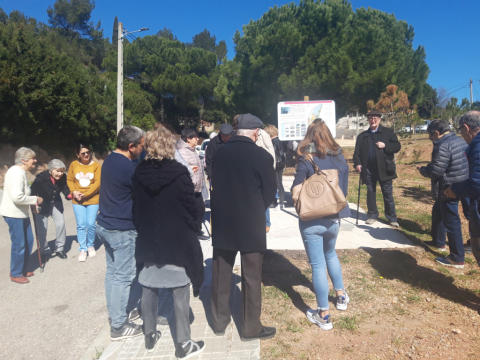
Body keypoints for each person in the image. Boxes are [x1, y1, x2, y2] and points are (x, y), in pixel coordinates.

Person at [133, 126, 205, 357]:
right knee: (180, 289)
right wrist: (193, 227)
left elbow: (136, 210)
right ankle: (183, 343)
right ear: (169, 146)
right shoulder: (180, 173)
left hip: (148, 238)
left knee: (148, 284)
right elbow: (190, 206)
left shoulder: (138, 173)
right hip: (176, 238)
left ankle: (149, 333)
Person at [210, 113, 277, 341]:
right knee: (251, 276)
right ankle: (250, 329)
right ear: (256, 133)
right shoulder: (262, 156)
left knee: (220, 273)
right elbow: (269, 192)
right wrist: (255, 208)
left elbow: (214, 183)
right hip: (250, 223)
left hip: (223, 223)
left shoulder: (219, 153)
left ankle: (219, 322)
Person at [292, 119, 351, 330]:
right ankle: (341, 296)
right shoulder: (340, 157)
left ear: (310, 136)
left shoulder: (306, 159)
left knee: (317, 265)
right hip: (334, 217)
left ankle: (324, 314)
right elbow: (343, 191)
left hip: (311, 220)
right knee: (331, 254)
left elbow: (296, 189)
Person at [96, 126, 146, 340]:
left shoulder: (109, 160)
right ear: (131, 146)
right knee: (124, 277)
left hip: (105, 225)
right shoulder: (129, 168)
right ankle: (118, 326)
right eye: (142, 146)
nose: (143, 149)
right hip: (121, 229)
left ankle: (115, 314)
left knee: (113, 273)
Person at [416, 120, 468, 268]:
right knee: (437, 212)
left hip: (448, 188)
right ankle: (439, 242)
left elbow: (436, 171)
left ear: (436, 133)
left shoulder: (443, 145)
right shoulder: (459, 140)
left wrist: (422, 170)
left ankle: (457, 258)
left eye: (430, 135)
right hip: (460, 183)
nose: (430, 138)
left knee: (452, 222)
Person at [0, 147, 43, 284]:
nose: (35, 161)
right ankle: (16, 273)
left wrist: (32, 205)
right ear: (24, 160)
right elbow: (18, 197)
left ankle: (21, 268)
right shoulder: (17, 173)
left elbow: (24, 194)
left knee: (29, 240)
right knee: (19, 244)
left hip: (21, 213)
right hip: (14, 214)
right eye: (33, 158)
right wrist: (35, 199)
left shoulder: (21, 172)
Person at [353, 110, 401, 227]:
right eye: (370, 118)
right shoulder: (362, 136)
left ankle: (391, 217)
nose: (373, 120)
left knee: (387, 193)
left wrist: (385, 146)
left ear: (379, 119)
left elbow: (397, 146)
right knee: (370, 193)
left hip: (385, 169)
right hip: (368, 170)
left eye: (375, 118)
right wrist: (358, 164)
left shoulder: (388, 132)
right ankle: (372, 215)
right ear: (368, 120)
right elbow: (356, 153)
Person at [446, 111, 480, 267]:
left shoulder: (477, 146)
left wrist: (454, 189)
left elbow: (476, 183)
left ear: (466, 128)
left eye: (460, 130)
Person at [31, 159, 72, 260]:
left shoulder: (63, 177)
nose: (60, 173)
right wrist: (34, 204)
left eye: (62, 171)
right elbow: (32, 191)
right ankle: (44, 251)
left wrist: (72, 195)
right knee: (42, 229)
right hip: (42, 204)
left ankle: (59, 248)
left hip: (56, 203)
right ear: (50, 170)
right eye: (57, 171)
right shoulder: (41, 177)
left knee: (61, 224)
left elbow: (65, 189)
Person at [67, 143, 101, 262]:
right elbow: (70, 180)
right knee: (81, 224)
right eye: (83, 153)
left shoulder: (96, 166)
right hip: (77, 200)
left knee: (91, 224)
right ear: (78, 154)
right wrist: (74, 192)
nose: (86, 155)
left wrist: (85, 195)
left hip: (92, 199)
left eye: (88, 152)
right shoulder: (73, 164)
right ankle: (82, 249)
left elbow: (97, 183)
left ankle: (90, 245)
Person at [177, 128, 209, 241]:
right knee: (196, 210)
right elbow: (182, 168)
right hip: (189, 188)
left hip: (196, 188)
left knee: (200, 210)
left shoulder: (191, 149)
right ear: (188, 139)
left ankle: (196, 231)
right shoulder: (182, 151)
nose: (197, 139)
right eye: (195, 137)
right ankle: (194, 232)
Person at [254, 124, 276, 232]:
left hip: (264, 168)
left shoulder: (263, 135)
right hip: (258, 167)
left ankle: (266, 223)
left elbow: (270, 152)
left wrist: (271, 169)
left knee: (264, 197)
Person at [264, 125, 286, 210]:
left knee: (278, 184)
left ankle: (280, 203)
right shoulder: (278, 140)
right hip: (280, 164)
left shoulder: (274, 142)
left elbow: (275, 154)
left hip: (277, 165)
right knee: (278, 184)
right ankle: (278, 202)